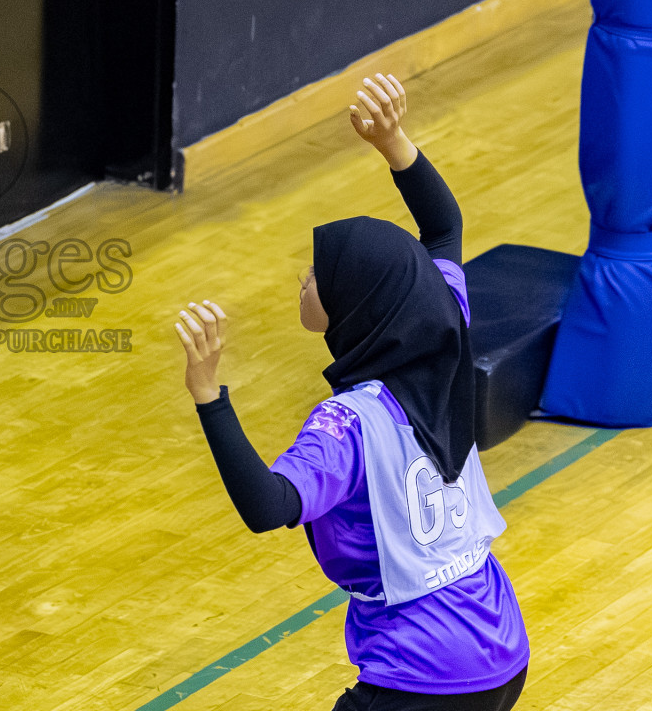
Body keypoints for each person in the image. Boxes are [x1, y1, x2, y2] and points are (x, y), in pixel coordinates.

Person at [172, 73, 529, 710]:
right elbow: (443, 230)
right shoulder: (445, 331)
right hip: (501, 648)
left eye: (318, 279)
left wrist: (209, 396)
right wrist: (395, 144)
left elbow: (268, 506)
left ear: (354, 312)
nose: (304, 282)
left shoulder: (348, 426)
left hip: (420, 677)